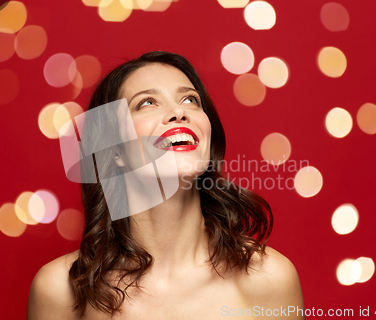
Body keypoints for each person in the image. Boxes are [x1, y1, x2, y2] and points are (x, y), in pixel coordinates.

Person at [27, 51, 304, 319]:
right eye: (147, 102)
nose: (179, 112)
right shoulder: (60, 291)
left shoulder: (270, 280)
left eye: (191, 100)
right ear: (114, 151)